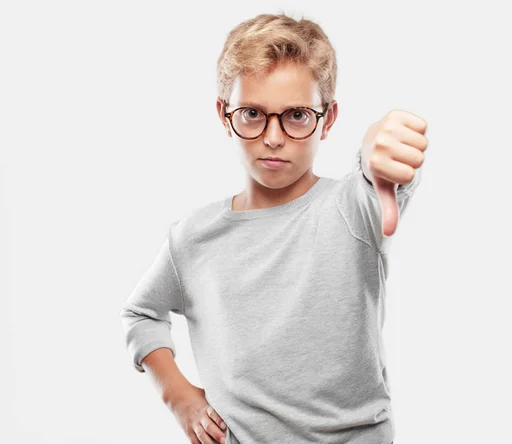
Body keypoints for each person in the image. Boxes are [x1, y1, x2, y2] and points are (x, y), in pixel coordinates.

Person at [120, 11, 427, 444]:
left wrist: (382, 154)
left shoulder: (352, 210)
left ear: (329, 117)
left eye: (298, 115)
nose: (273, 137)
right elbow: (141, 314)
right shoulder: (192, 239)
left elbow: (377, 177)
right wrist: (179, 397)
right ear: (224, 114)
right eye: (252, 114)